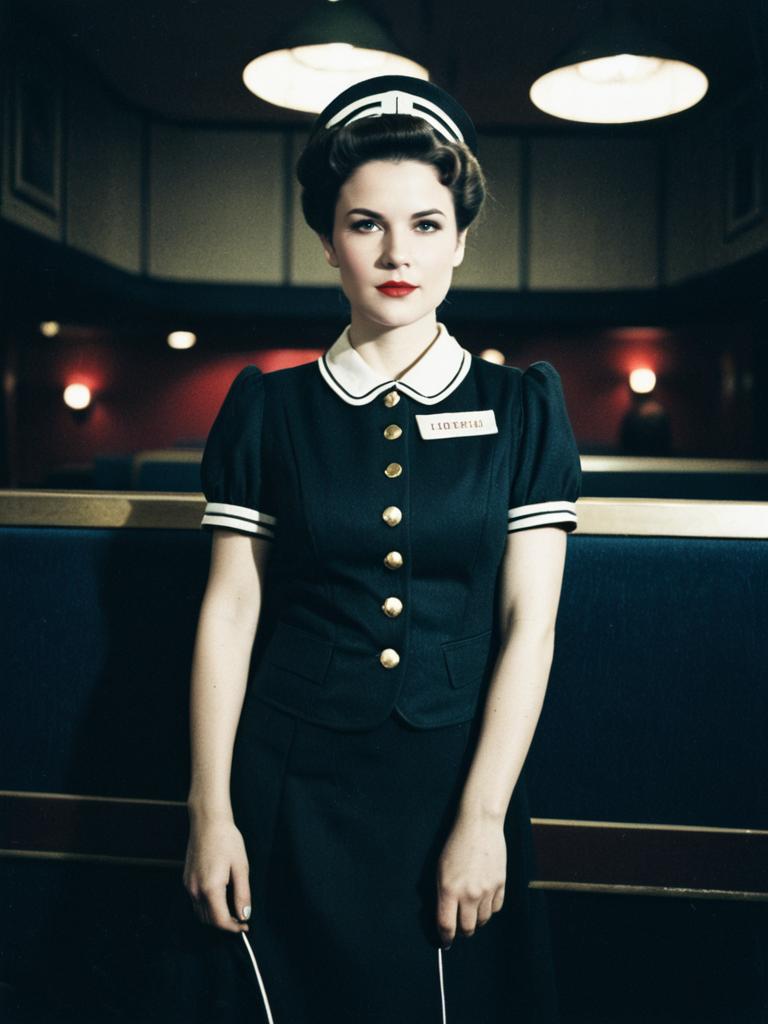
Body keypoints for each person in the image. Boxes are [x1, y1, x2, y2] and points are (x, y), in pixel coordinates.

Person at [183, 75, 581, 1024]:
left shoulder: (525, 410)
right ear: (327, 239)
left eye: (427, 224)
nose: (398, 253)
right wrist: (209, 811)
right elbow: (231, 613)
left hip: (450, 784)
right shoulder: (267, 410)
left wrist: (485, 819)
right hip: (288, 781)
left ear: (462, 239)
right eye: (366, 225)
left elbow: (532, 629)